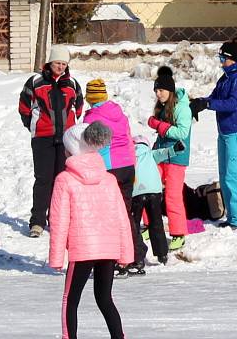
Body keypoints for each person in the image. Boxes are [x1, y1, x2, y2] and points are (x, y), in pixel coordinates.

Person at [45, 121, 137, 339]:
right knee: (105, 298)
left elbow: (59, 220)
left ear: (72, 150)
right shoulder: (108, 179)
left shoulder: (64, 179)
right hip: (107, 248)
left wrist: (56, 258)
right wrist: (126, 253)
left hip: (82, 249)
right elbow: (123, 218)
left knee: (69, 300)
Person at [18, 45, 84, 238]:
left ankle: (57, 219)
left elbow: (78, 107)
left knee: (62, 180)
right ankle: (37, 221)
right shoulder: (36, 82)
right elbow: (24, 106)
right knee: (43, 179)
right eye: (57, 63)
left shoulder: (72, 83)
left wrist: (71, 125)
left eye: (64, 64)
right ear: (50, 62)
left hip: (65, 139)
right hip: (42, 138)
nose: (60, 67)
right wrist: (33, 124)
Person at [190, 39, 237, 230]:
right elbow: (215, 98)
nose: (220, 61)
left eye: (222, 58)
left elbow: (234, 103)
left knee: (234, 175)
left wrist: (209, 105)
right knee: (225, 175)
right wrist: (201, 102)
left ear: (232, 59)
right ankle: (233, 216)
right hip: (225, 131)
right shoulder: (226, 77)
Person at [81, 78, 139, 276]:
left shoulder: (92, 118)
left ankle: (124, 258)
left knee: (113, 216)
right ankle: (136, 255)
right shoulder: (118, 112)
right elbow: (129, 139)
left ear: (89, 97)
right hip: (128, 167)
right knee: (126, 213)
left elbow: (88, 147)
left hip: (109, 169)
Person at [147, 66, 193, 251]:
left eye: (161, 90)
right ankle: (150, 225)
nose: (158, 94)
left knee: (172, 195)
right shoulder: (163, 105)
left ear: (170, 90)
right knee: (148, 188)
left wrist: (159, 125)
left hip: (177, 157)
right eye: (156, 91)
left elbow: (183, 132)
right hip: (160, 154)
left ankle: (178, 233)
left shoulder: (182, 107)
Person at [130, 134, 185, 267]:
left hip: (136, 192)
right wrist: (175, 149)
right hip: (154, 192)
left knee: (134, 225)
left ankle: (136, 256)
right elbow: (164, 152)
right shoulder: (150, 154)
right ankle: (162, 254)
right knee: (156, 223)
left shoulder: (129, 155)